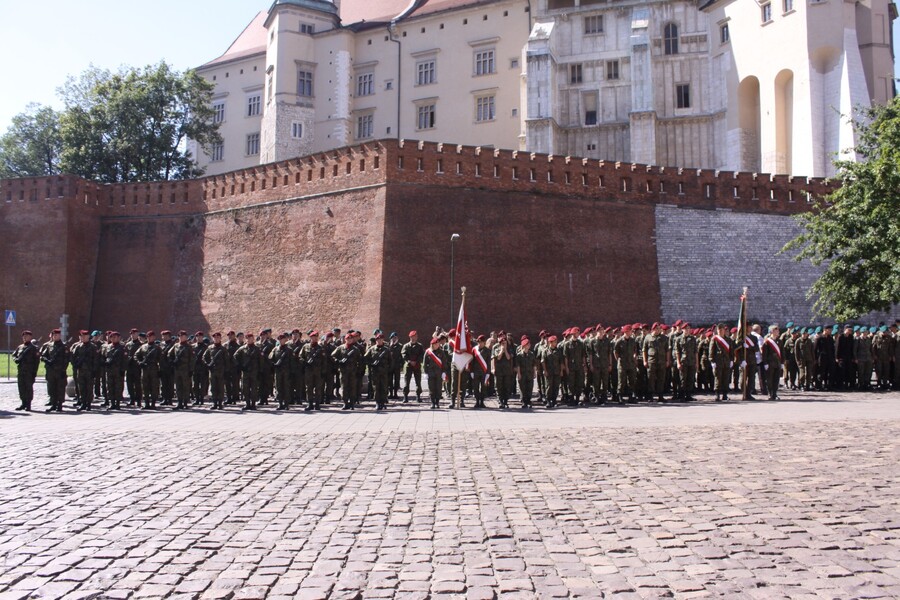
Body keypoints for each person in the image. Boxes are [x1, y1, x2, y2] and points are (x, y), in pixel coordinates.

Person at [40, 328, 70, 412]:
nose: (55, 336)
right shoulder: (49, 345)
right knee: (51, 388)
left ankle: (59, 405)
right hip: (51, 371)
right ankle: (53, 404)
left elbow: (67, 359)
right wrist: (47, 360)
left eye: (57, 335)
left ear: (60, 336)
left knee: (60, 388)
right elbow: (43, 355)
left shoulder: (64, 346)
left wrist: (63, 369)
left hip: (60, 371)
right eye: (54, 335)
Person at [332, 331, 362, 409]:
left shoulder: (355, 349)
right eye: (347, 339)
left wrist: (359, 369)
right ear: (345, 339)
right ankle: (345, 402)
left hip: (352, 371)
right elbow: (333, 355)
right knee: (344, 387)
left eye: (350, 339)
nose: (349, 340)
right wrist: (338, 361)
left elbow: (360, 359)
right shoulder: (340, 348)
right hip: (343, 371)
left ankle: (352, 403)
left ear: (352, 340)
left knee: (352, 387)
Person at [70, 330, 98, 411]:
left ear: (88, 337)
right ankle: (83, 403)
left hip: (89, 370)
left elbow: (96, 360)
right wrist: (75, 364)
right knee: (81, 387)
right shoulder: (78, 346)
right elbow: (73, 356)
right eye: (82, 336)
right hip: (80, 370)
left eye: (85, 336)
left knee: (89, 388)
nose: (83, 338)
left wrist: (94, 371)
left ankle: (88, 404)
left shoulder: (93, 347)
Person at [298, 331, 326, 411]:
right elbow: (300, 356)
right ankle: (310, 404)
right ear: (310, 338)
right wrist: (305, 363)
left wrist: (323, 371)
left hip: (318, 370)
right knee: (309, 388)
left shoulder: (320, 348)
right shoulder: (305, 347)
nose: (315, 338)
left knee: (318, 388)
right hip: (309, 370)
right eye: (313, 337)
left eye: (316, 337)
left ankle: (317, 404)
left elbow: (324, 361)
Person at [12, 330, 39, 411]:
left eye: (26, 336)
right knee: (21, 387)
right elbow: (14, 355)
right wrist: (16, 359)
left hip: (29, 372)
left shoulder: (33, 348)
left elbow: (36, 362)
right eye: (23, 336)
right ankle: (23, 403)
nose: (24, 338)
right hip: (21, 371)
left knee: (28, 388)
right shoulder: (20, 347)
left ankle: (28, 404)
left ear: (30, 337)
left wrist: (34, 373)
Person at [134, 330, 162, 409]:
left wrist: (160, 370)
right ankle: (146, 403)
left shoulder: (157, 348)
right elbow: (136, 355)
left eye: (152, 337)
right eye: (149, 337)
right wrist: (140, 362)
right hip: (145, 369)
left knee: (154, 386)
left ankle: (153, 403)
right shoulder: (143, 347)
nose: (150, 338)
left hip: (154, 368)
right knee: (145, 386)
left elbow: (161, 359)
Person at [168, 330, 194, 410]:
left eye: (184, 336)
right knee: (178, 386)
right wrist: (172, 362)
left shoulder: (189, 347)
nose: (182, 338)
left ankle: (185, 402)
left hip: (185, 369)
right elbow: (169, 354)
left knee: (186, 387)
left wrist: (191, 370)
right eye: (181, 336)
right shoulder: (176, 346)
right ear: (179, 337)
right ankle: (179, 403)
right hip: (177, 369)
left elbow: (192, 359)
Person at [204, 332, 231, 410]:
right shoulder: (210, 348)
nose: (216, 339)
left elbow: (227, 361)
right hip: (212, 371)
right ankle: (214, 403)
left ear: (220, 339)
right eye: (215, 338)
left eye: (218, 338)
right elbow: (204, 357)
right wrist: (208, 364)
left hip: (221, 371)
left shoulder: (223, 349)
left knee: (220, 388)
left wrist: (226, 371)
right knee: (213, 388)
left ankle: (220, 403)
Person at [268, 333, 293, 410]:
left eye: (283, 339)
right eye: (280, 339)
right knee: (278, 387)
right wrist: (274, 365)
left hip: (286, 371)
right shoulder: (275, 349)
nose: (282, 341)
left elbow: (292, 362)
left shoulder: (289, 350)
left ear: (285, 340)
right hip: (278, 371)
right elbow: (270, 358)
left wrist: (292, 371)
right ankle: (280, 403)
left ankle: (286, 404)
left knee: (286, 387)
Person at [104, 332, 129, 410]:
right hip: (109, 370)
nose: (114, 339)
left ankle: (117, 403)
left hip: (118, 370)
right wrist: (105, 362)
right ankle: (112, 403)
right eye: (113, 337)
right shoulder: (107, 347)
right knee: (110, 387)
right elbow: (103, 356)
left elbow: (125, 360)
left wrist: (123, 369)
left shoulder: (122, 348)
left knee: (118, 387)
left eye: (116, 337)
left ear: (119, 338)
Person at [366, 332, 391, 410]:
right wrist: (371, 364)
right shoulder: (372, 349)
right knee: (376, 388)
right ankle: (377, 403)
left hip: (384, 372)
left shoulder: (386, 350)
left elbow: (390, 361)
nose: (379, 341)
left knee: (384, 388)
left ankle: (383, 403)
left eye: (380, 339)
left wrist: (388, 369)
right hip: (375, 372)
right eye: (377, 339)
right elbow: (365, 359)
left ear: (383, 340)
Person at [708, 323, 733, 402]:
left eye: (721, 330)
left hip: (726, 361)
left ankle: (725, 394)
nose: (720, 331)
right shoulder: (714, 339)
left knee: (726, 378)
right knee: (718, 378)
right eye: (719, 330)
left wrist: (731, 360)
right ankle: (717, 394)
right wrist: (712, 361)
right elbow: (711, 350)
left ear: (724, 330)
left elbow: (731, 351)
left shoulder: (728, 340)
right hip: (718, 361)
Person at [424, 336, 449, 409]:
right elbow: (425, 363)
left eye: (438, 344)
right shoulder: (428, 352)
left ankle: (437, 402)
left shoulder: (441, 352)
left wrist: (444, 372)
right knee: (431, 388)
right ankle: (432, 403)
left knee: (438, 388)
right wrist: (425, 372)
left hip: (439, 372)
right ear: (433, 344)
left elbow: (444, 362)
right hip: (431, 372)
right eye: (436, 344)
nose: (438, 345)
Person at [614, 326, 638, 403]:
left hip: (631, 363)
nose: (631, 332)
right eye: (630, 331)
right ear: (626, 332)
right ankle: (620, 397)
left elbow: (635, 350)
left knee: (632, 380)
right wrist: (618, 360)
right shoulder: (619, 341)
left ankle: (631, 396)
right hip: (622, 364)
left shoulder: (632, 340)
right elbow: (615, 352)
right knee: (621, 381)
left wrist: (634, 357)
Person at [760, 325, 784, 400]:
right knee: (769, 379)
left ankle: (775, 394)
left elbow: (782, 352)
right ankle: (770, 393)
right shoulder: (767, 342)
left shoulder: (779, 341)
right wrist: (765, 363)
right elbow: (764, 354)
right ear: (772, 331)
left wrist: (782, 362)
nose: (778, 332)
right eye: (776, 330)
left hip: (777, 363)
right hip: (770, 363)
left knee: (776, 380)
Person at [401, 330, 425, 402]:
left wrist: (417, 361)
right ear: (409, 337)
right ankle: (405, 396)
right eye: (412, 337)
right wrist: (409, 361)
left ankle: (418, 396)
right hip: (408, 366)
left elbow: (422, 355)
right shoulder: (406, 346)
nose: (413, 338)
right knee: (406, 381)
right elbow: (403, 354)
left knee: (418, 381)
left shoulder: (420, 346)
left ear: (417, 337)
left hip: (417, 365)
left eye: (415, 336)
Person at [541, 335, 564, 408]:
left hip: (557, 371)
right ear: (550, 343)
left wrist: (561, 371)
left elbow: (561, 362)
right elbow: (543, 361)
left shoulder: (558, 351)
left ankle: (554, 400)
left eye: (556, 341)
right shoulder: (545, 351)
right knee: (549, 386)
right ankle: (548, 400)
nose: (556, 343)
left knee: (556, 386)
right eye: (554, 342)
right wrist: (545, 370)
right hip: (549, 371)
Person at [515, 336, 538, 409]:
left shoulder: (531, 354)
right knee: (522, 388)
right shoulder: (519, 355)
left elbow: (534, 364)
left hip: (529, 373)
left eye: (529, 344)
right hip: (522, 373)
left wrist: (534, 373)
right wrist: (518, 374)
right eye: (527, 344)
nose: (529, 346)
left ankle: (528, 401)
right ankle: (524, 402)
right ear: (524, 346)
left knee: (529, 388)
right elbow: (518, 365)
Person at [492, 336, 514, 409]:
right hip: (499, 371)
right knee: (499, 386)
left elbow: (508, 357)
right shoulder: (497, 349)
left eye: (505, 343)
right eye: (502, 343)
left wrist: (506, 350)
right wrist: (501, 350)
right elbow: (498, 357)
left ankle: (505, 401)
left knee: (507, 386)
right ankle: (500, 401)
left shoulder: (509, 349)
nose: (504, 344)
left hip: (507, 371)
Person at [124, 329, 143, 406]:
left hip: (137, 367)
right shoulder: (128, 344)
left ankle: (138, 400)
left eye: (134, 334)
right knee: (129, 384)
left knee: (138, 384)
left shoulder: (141, 344)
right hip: (129, 366)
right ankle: (132, 399)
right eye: (131, 334)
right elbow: (125, 354)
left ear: (137, 334)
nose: (133, 335)